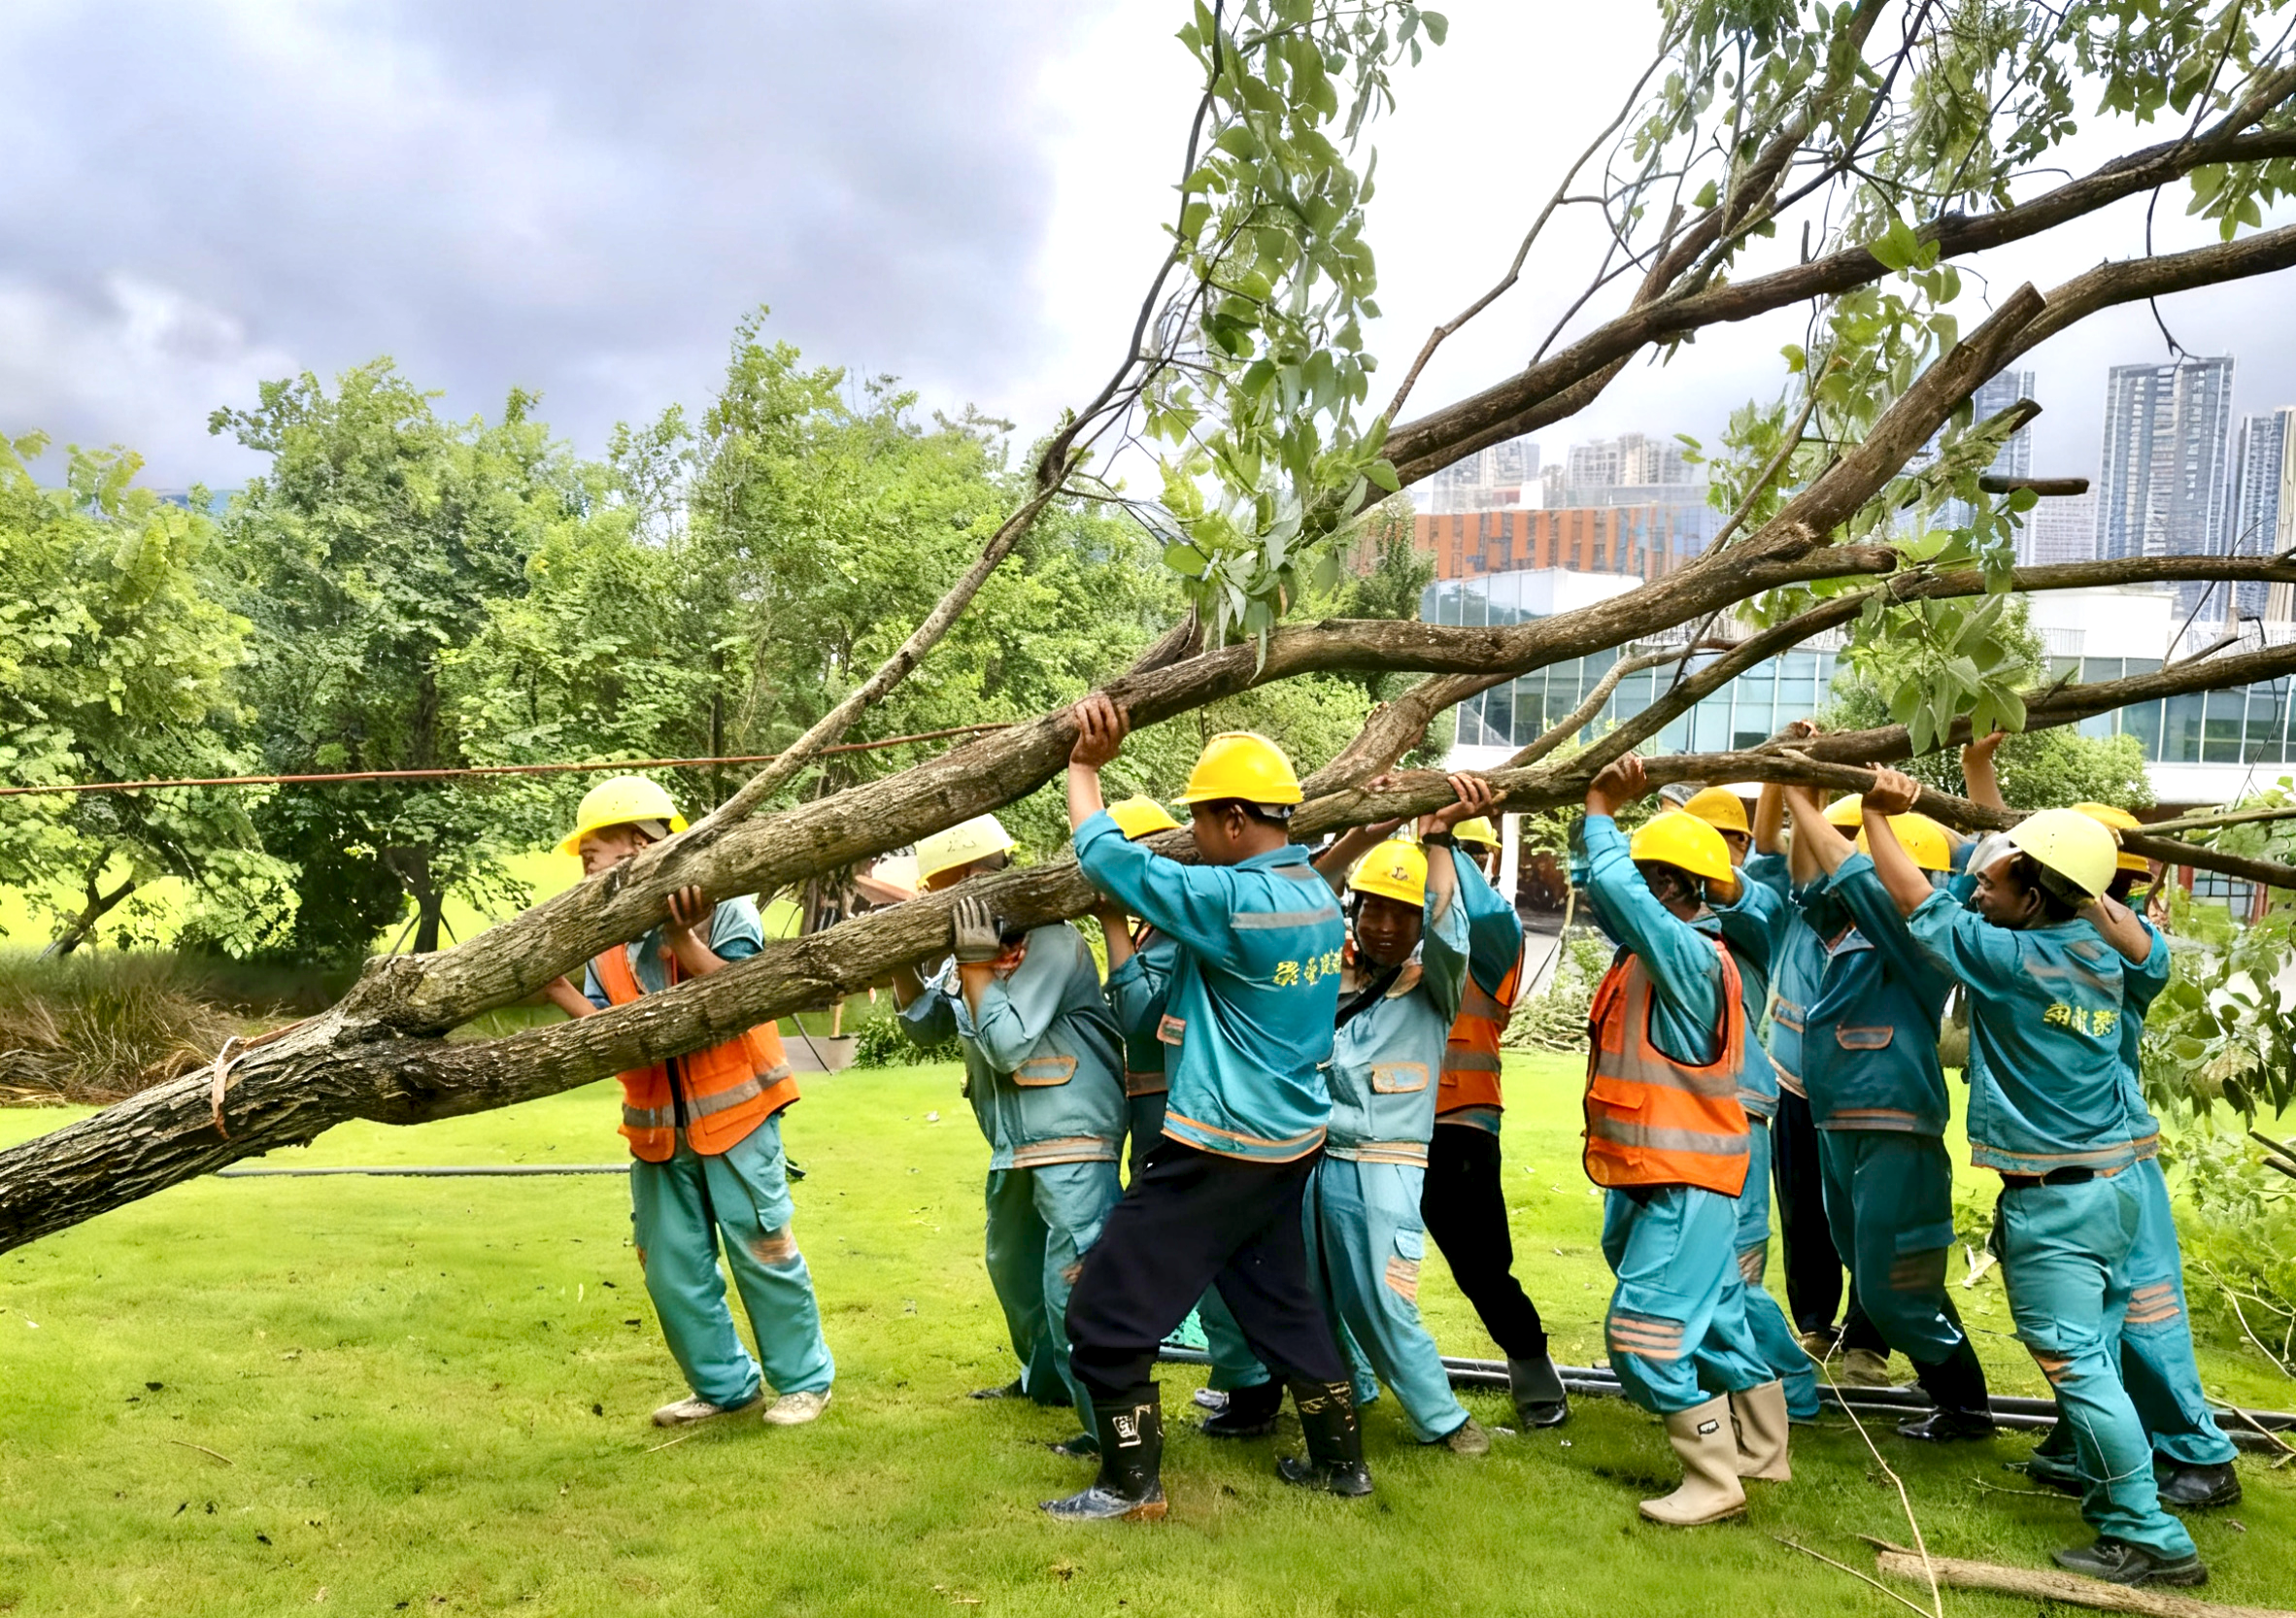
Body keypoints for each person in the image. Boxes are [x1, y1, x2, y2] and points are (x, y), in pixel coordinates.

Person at [1857, 772, 2207, 1588]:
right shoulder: (2117, 951)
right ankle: (2113, 1493)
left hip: (2057, 1205)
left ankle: (2146, 1533)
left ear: (2038, 892)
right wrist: (2063, 870)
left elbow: (1915, 898)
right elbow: (2138, 937)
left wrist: (1878, 811)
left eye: (1993, 876)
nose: (1975, 883)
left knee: (2078, 1365)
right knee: (2100, 1359)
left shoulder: (2009, 960)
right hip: (2117, 1188)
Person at [1049, 700, 1360, 1522]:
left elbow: (1114, 865)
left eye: (1196, 822)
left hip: (1219, 1145)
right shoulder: (1317, 898)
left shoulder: (1236, 903)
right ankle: (1341, 1464)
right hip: (1290, 1141)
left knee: (1105, 1308)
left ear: (1231, 819)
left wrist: (1084, 770)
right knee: (1279, 1300)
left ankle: (1130, 1485)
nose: (1192, 838)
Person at [1957, 744, 2242, 1509]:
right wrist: (1980, 777)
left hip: (2114, 1158)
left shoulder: (2113, 945)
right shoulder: (2090, 936)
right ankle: (2079, 1445)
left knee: (2143, 1311)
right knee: (2095, 1318)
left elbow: (2028, 869)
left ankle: (2198, 1454)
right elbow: (2007, 853)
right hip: (2094, 1153)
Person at [540, 775, 834, 1429]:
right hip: (655, 1129)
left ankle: (805, 1383)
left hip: (737, 1117)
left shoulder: (726, 906)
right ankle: (725, 1388)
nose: (588, 873)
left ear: (644, 848)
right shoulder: (601, 936)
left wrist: (680, 940)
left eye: (597, 858)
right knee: (670, 1269)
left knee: (764, 1251)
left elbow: (741, 995)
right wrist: (558, 989)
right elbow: (606, 1028)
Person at [1574, 757, 1784, 1526]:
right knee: (1716, 1315)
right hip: (1660, 1172)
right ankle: (1764, 1451)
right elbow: (1606, 889)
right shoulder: (1658, 952)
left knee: (1645, 1336)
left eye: (1645, 877)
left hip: (1687, 1176)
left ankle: (1715, 1482)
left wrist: (1602, 808)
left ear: (1670, 888)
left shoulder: (1691, 954)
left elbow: (1616, 886)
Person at [890, 812, 1127, 1455]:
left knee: (1070, 1286)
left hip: (1075, 1139)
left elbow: (1008, 1046)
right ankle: (1044, 1385)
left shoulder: (1049, 941)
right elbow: (926, 1027)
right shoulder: (968, 950)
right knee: (1015, 1273)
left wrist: (974, 970)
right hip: (1014, 1145)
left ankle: (1109, 1433)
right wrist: (902, 955)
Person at [1777, 788, 1995, 1441]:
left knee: (1896, 1279)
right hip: (1842, 1120)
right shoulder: (1848, 922)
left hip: (1894, 1123)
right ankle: (1948, 1388)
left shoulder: (1922, 927)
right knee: (1880, 1269)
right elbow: (1811, 881)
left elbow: (1854, 874)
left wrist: (1797, 793)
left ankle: (1965, 1407)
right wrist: (1802, 803)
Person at [1301, 778, 1504, 1456]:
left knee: (1387, 1299)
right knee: (1317, 1289)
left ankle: (1445, 1421)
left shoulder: (1434, 979)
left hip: (1386, 1161)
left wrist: (1437, 837)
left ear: (1418, 920)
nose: (1385, 924)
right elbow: (1300, 892)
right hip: (1318, 1157)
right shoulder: (1332, 971)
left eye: (1401, 913)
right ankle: (1352, 1393)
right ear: (1354, 911)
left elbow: (1452, 923)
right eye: (1373, 910)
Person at [1093, 795, 1274, 1432]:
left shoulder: (1173, 929)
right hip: (1162, 1113)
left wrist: (1113, 926)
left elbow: (1140, 1018)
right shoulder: (1163, 925)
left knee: (1206, 1259)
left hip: (1179, 1114)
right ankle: (1244, 1382)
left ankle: (1251, 1391)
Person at [1418, 813, 1570, 1428]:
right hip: (1385, 1119)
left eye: (1468, 854)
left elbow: (1469, 917)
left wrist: (1439, 842)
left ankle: (1535, 1376)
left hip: (1460, 1118)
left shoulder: (1495, 929)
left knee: (1481, 1264)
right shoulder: (1407, 914)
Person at [1744, 756, 1891, 1385]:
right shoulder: (1798, 906)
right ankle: (1814, 1322)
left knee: (1869, 1214)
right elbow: (1775, 852)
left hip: (1865, 1089)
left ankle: (1868, 1338)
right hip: (1795, 1076)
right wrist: (1791, 777)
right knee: (1802, 1205)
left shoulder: (1883, 920)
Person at [1680, 786, 1821, 1426]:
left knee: (1737, 1263)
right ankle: (1712, 1375)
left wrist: (1785, 779)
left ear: (1739, 847)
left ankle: (1788, 1388)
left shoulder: (1761, 910)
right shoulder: (1671, 910)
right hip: (1672, 1111)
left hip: (1737, 1108)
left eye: (1720, 840)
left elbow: (1747, 892)